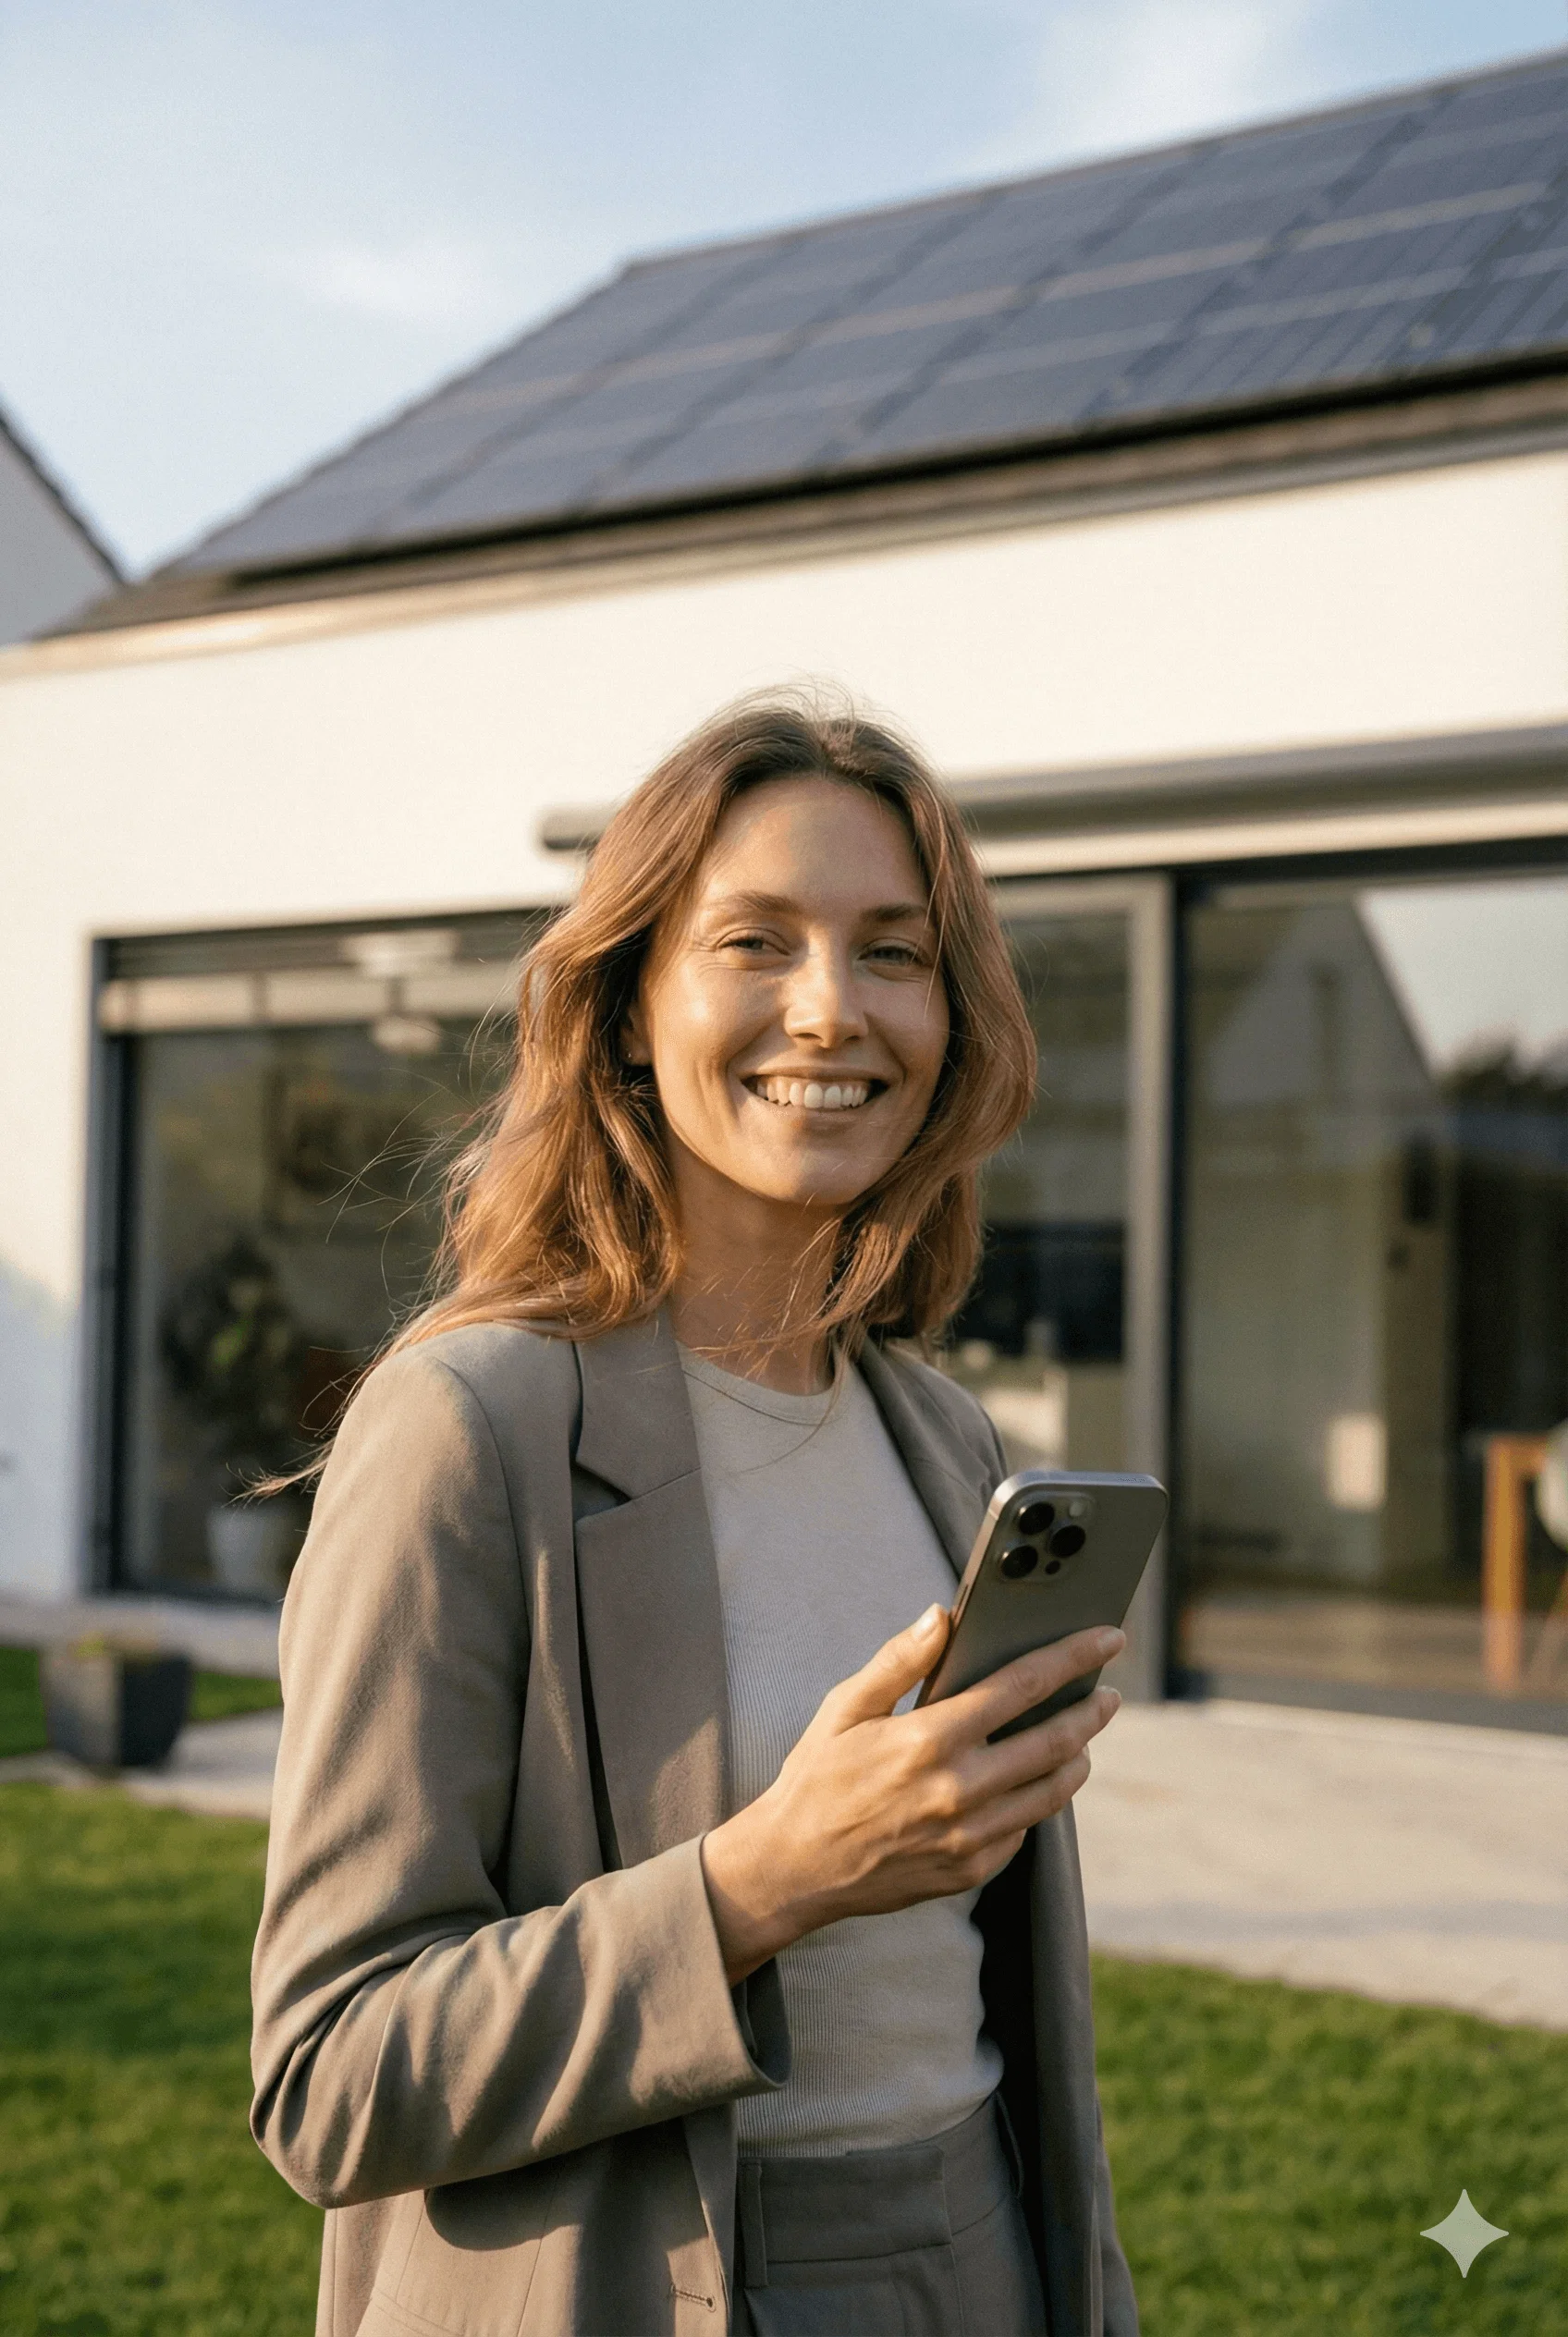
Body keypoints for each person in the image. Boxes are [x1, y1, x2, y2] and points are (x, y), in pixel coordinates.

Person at [251, 696, 1137, 2337]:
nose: (832, 1010)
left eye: (894, 951)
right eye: (756, 941)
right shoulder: (468, 1430)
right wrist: (764, 1881)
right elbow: (331, 2073)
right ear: (628, 1011)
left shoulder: (941, 1438)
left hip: (979, 2248)